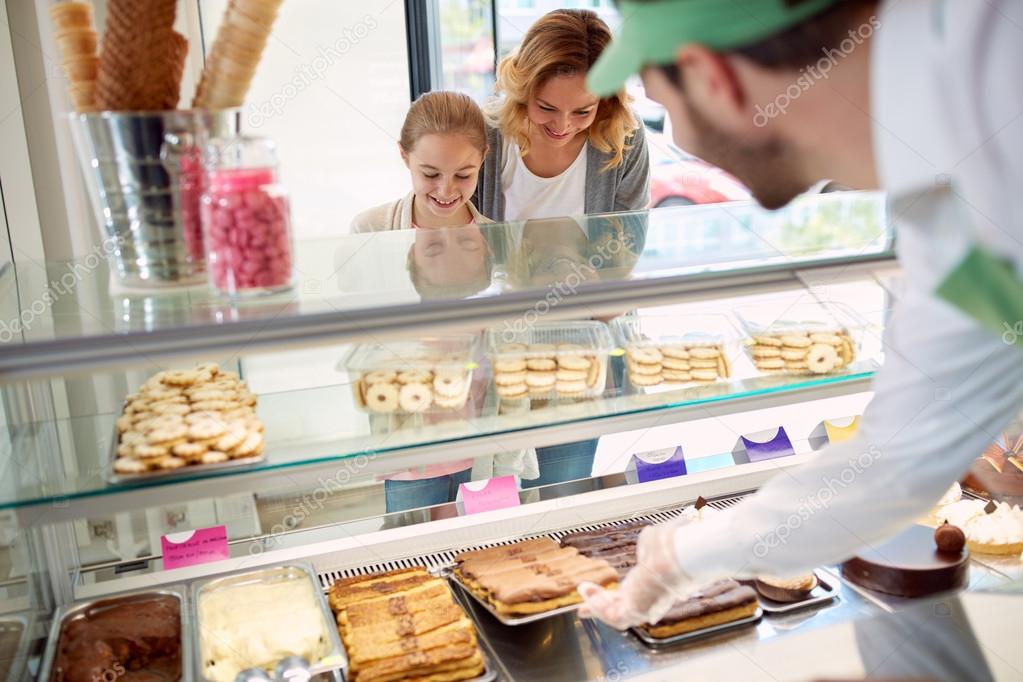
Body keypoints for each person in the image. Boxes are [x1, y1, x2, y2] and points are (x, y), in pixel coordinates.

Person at [577, 0, 1023, 629]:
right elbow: (893, 464)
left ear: (713, 79)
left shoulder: (1000, 70)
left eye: (663, 108)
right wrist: (678, 558)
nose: (670, 136)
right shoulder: (939, 192)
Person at [473, 8, 652, 488]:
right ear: (523, 88)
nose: (563, 125)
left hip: (581, 343)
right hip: (501, 345)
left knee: (561, 492)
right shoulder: (487, 138)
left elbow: (623, 256)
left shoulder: (625, 143)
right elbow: (461, 249)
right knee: (496, 501)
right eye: (546, 107)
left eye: (583, 111)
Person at [351, 90, 491, 232]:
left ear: (482, 159)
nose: (446, 191)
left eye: (463, 175)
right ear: (405, 156)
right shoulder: (367, 229)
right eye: (430, 174)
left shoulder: (501, 240)